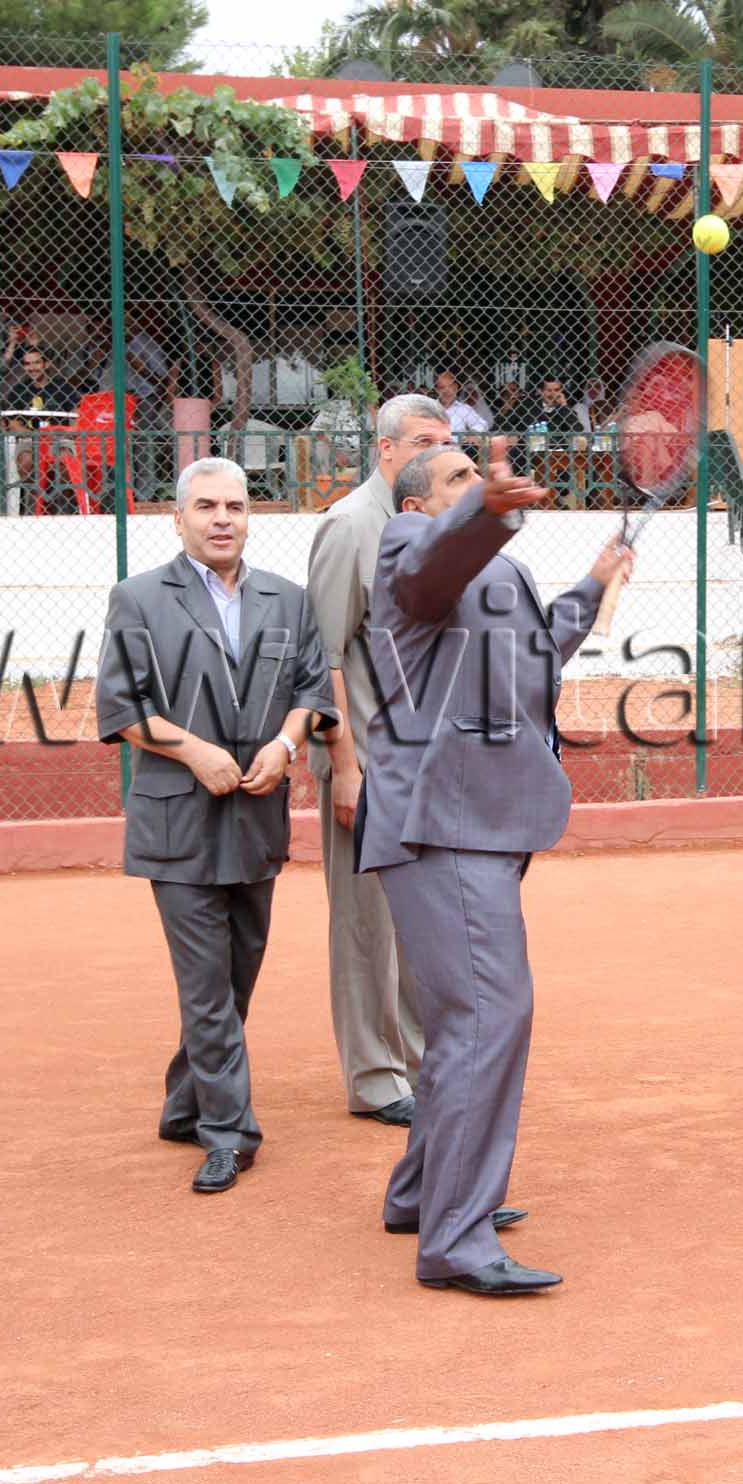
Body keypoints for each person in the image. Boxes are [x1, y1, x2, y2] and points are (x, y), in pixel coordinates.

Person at [358, 441, 631, 1295]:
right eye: (458, 479)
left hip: (484, 819)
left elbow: (534, 662)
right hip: (440, 822)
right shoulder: (409, 550)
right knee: (488, 1014)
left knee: (462, 1019)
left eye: (481, 474)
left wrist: (590, 584)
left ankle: (420, 1196)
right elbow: (437, 564)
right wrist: (490, 511)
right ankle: (456, 1238)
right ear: (415, 506)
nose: (479, 486)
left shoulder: (498, 573)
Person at [94, 457, 337, 1193]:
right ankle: (229, 1132)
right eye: (206, 506)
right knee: (206, 986)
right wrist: (194, 749)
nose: (222, 517)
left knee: (234, 980)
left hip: (257, 814)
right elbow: (120, 704)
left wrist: (287, 743)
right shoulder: (138, 598)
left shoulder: (287, 599)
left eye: (234, 504)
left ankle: (183, 1104)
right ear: (178, 518)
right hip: (178, 823)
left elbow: (311, 686)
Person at [305, 395, 456, 1128]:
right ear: (385, 447)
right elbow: (323, 655)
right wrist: (345, 764)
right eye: (424, 441)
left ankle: (425, 1065)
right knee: (366, 925)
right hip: (367, 764)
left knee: (422, 924)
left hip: (428, 767)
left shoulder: (435, 527)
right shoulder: (349, 525)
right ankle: (374, 1075)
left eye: (446, 442)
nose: (436, 454)